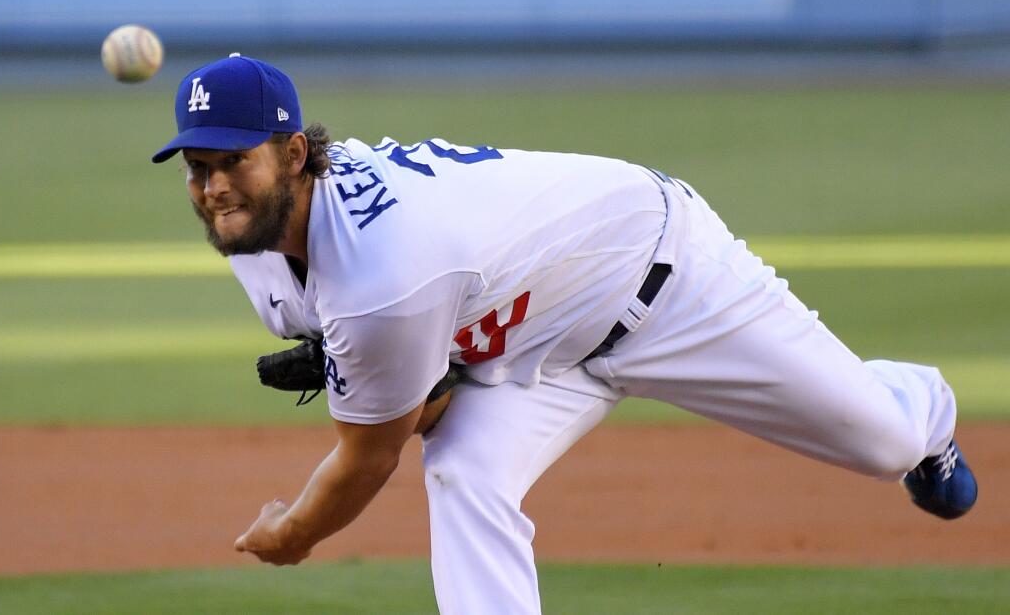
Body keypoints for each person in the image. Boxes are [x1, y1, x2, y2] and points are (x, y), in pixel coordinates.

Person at [151, 54, 978, 615]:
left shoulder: (382, 276)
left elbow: (371, 455)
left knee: (886, 439)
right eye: (198, 165)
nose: (214, 186)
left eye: (235, 160)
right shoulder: (255, 237)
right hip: (533, 350)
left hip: (665, 278)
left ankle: (926, 413)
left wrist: (291, 533)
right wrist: (398, 377)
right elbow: (430, 408)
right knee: (467, 475)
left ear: (295, 153)